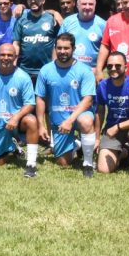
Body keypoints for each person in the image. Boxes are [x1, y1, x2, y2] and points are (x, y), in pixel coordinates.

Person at [35, 33, 97, 177]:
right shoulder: (46, 70)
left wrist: (70, 120)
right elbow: (40, 99)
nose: (62, 52)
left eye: (66, 48)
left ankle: (88, 163)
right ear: (55, 48)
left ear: (73, 49)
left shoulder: (84, 70)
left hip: (78, 115)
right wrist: (41, 125)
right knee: (62, 162)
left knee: (86, 121)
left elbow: (88, 100)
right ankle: (77, 145)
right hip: (59, 121)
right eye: (59, 48)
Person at [95, 51, 129, 176]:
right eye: (109, 66)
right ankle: (125, 152)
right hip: (112, 131)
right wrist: (97, 138)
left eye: (117, 66)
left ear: (126, 67)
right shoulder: (103, 86)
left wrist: (118, 126)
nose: (113, 69)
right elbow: (100, 112)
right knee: (104, 170)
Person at [13, 0, 59, 83]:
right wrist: (13, 66)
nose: (33, 1)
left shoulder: (52, 19)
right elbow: (16, 44)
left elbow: (58, 44)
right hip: (24, 70)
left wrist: (54, 66)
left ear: (43, 0)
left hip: (46, 70)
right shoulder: (21, 19)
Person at [60, 0, 106, 66]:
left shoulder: (103, 25)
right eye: (84, 4)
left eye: (91, 4)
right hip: (69, 70)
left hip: (92, 72)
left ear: (95, 6)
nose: (87, 7)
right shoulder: (67, 22)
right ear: (77, 5)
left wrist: (98, 69)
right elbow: (57, 45)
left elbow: (107, 51)